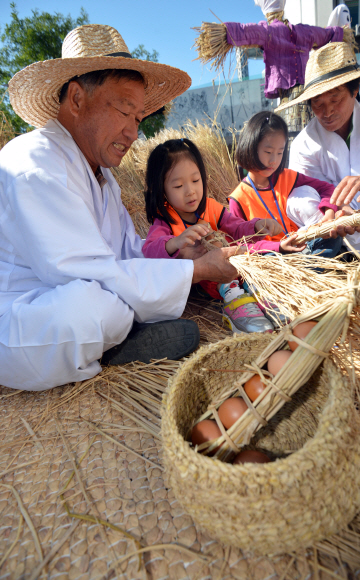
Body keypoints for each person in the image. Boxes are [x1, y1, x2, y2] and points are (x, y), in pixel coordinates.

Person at [0, 24, 240, 391]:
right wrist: (193, 272)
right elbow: (92, 275)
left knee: (107, 301)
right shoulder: (35, 163)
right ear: (77, 99)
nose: (133, 132)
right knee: (87, 311)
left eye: (138, 118)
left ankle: (122, 334)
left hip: (90, 288)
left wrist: (178, 256)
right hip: (26, 314)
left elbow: (127, 253)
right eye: (124, 111)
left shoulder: (102, 176)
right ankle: (117, 345)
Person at [142, 138, 303, 333]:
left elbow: (236, 227)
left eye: (195, 180)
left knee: (255, 262)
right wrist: (174, 243)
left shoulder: (211, 208)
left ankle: (262, 295)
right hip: (212, 280)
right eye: (178, 186)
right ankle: (234, 300)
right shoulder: (165, 221)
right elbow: (149, 251)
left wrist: (257, 226)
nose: (190, 191)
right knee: (217, 259)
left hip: (236, 266)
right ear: (163, 191)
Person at [277, 41, 360, 259]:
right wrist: (330, 214)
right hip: (341, 245)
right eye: (318, 104)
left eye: (335, 99)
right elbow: (301, 192)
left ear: (354, 90)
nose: (327, 112)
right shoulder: (304, 143)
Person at [228, 111, 345, 258]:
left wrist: (329, 211)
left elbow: (327, 188)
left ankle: (307, 268)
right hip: (271, 256)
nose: (274, 160)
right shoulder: (238, 199)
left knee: (332, 237)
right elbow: (240, 245)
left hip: (301, 244)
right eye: (268, 152)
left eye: (280, 153)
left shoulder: (288, 177)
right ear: (250, 147)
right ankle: (310, 269)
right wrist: (278, 247)